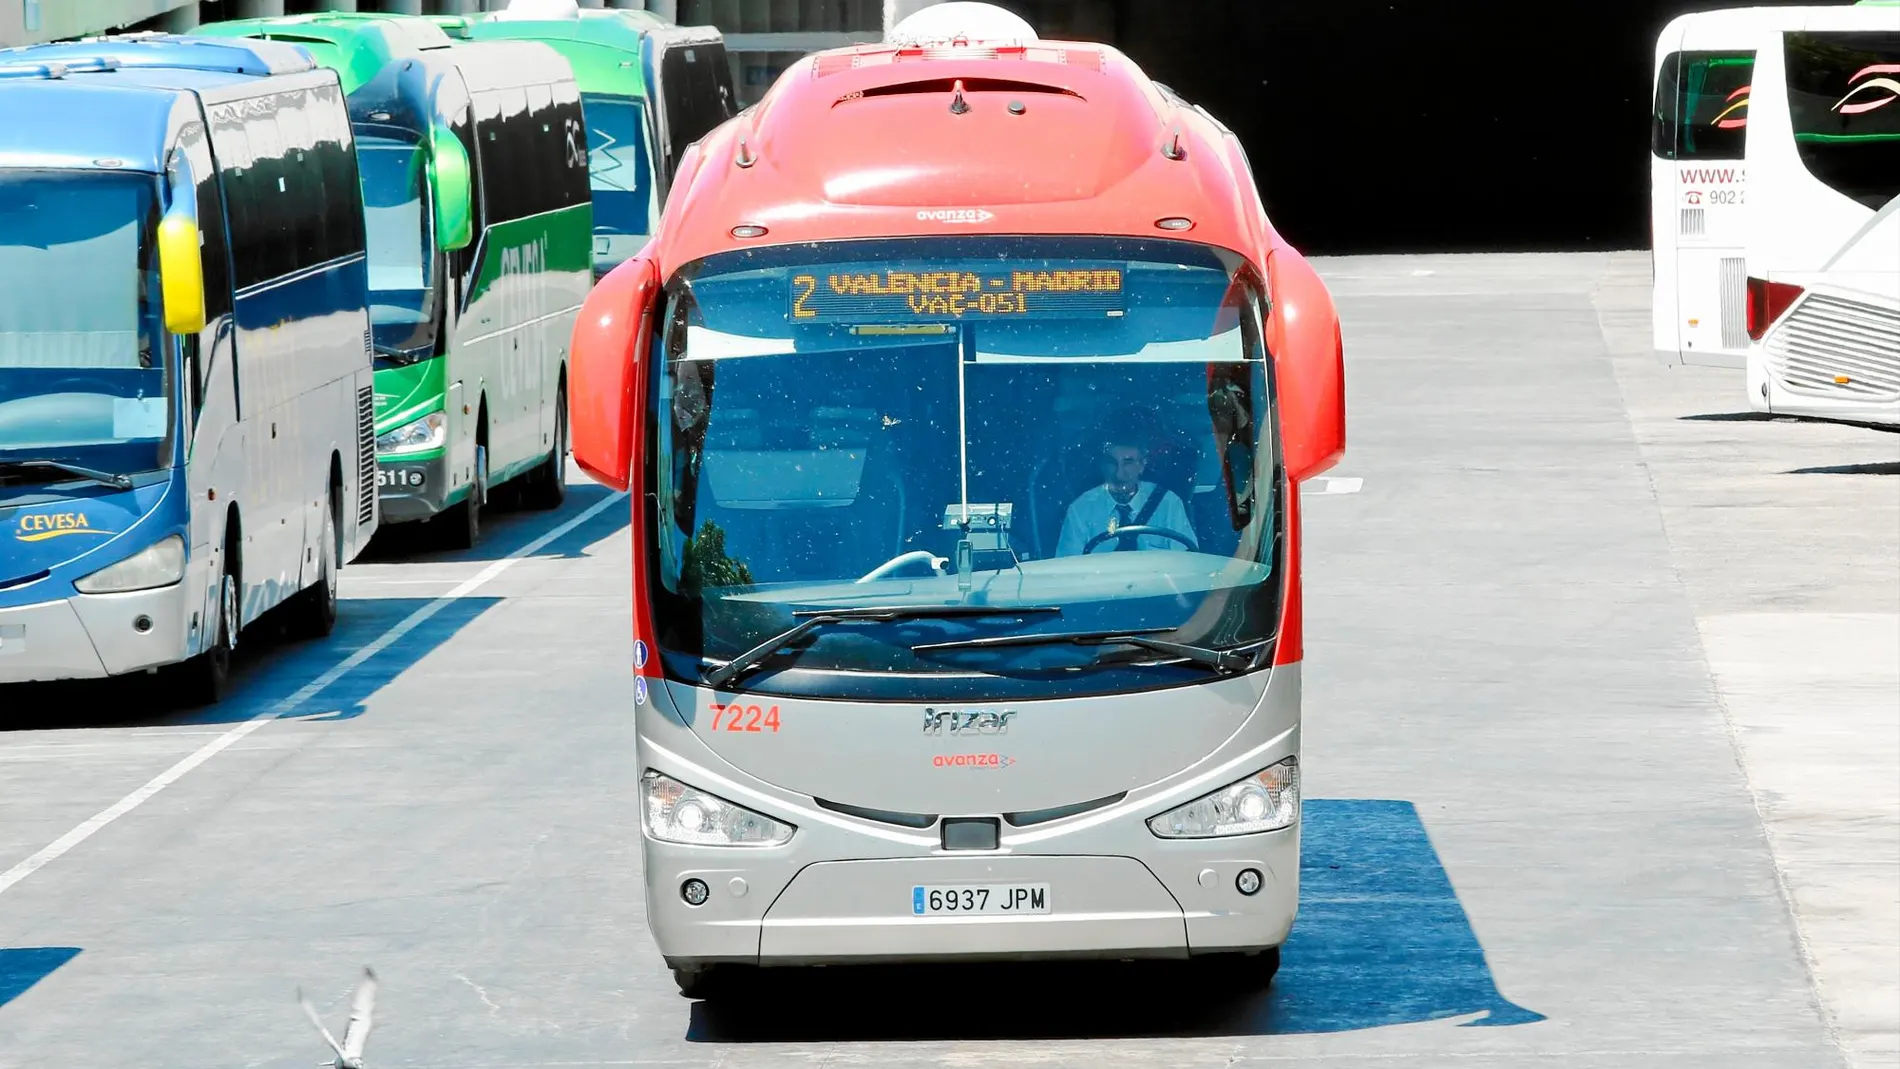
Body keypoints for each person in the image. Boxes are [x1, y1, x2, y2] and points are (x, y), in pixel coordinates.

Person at [1055, 432, 1196, 556]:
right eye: (1112, 463)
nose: (1119, 474)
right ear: (1102, 466)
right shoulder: (1080, 509)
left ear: (1142, 465)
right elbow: (1068, 567)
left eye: (1128, 463)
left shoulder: (1168, 503)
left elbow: (1186, 560)